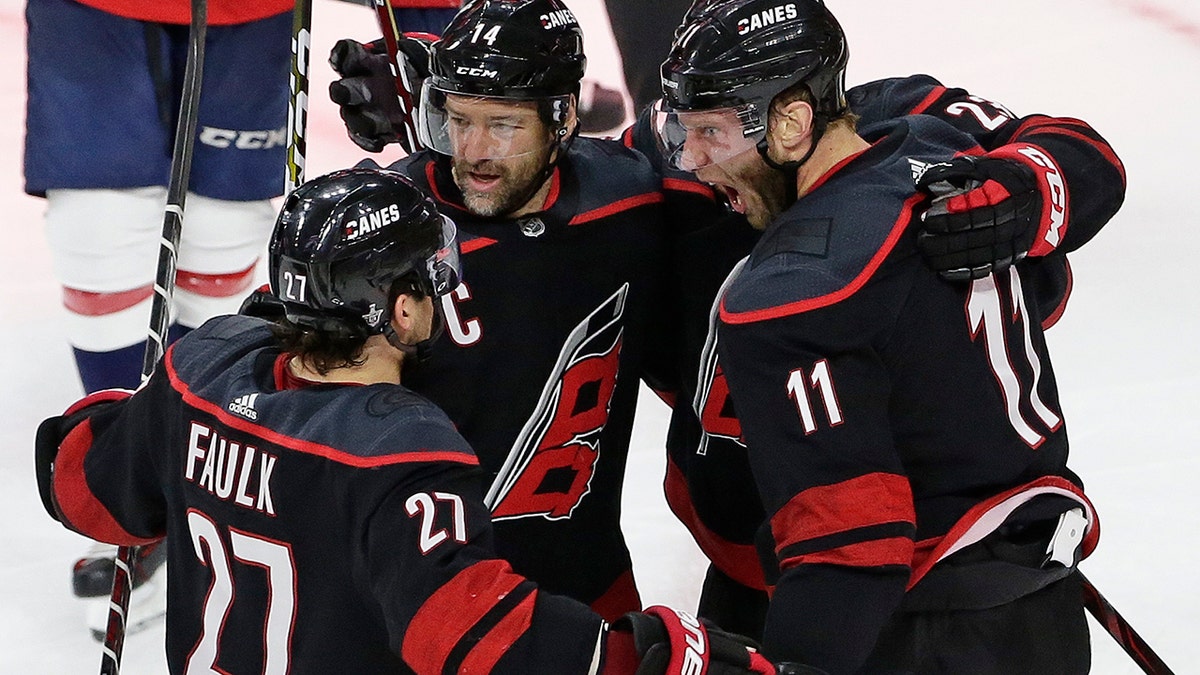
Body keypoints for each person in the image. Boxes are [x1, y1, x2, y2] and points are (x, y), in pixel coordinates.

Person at [33, 167, 775, 675]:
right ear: (401, 310)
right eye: (428, 279)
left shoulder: (202, 369)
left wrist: (131, 412)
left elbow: (80, 485)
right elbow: (474, 637)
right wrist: (648, 653)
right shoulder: (398, 446)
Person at [654, 0, 1107, 672]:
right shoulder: (940, 144)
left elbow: (849, 551)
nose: (691, 161)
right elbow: (1048, 273)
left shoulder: (794, 290)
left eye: (713, 134)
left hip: (918, 634)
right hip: (1041, 610)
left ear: (792, 120)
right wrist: (1030, 185)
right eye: (683, 133)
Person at [23, 0, 296, 634]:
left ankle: (199, 486)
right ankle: (132, 488)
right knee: (97, 225)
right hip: (94, 10)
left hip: (252, 11)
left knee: (225, 228)